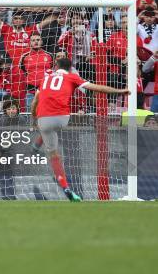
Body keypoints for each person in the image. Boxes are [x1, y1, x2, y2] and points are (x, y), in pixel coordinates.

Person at [30, 58, 129, 202]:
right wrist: (120, 90)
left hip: (43, 120)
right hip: (62, 119)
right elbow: (97, 88)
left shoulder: (45, 79)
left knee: (53, 154)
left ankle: (66, 188)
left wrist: (34, 119)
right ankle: (39, 141)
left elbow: (34, 102)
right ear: (70, 69)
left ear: (56, 66)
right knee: (56, 125)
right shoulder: (72, 76)